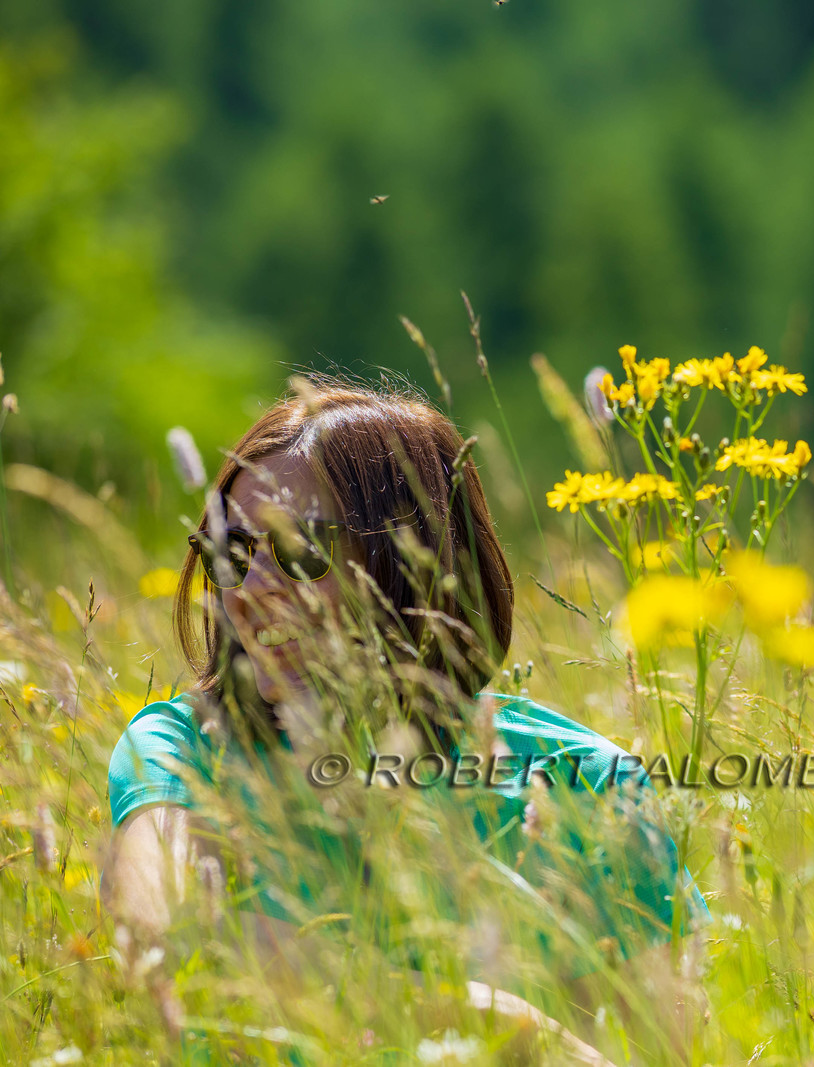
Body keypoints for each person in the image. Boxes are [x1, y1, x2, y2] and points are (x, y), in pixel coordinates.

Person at [102, 378, 705, 1064]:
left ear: (408, 562)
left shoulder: (585, 783)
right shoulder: (184, 752)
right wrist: (490, 1020)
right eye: (231, 552)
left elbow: (665, 1048)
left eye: (299, 551)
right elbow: (156, 934)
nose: (252, 589)